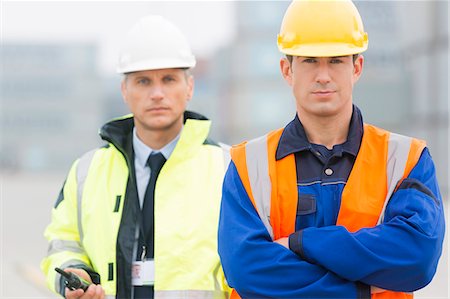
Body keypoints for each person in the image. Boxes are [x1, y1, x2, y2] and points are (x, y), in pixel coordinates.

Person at [218, 1, 445, 298]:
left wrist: (302, 243)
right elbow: (245, 269)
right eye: (310, 60)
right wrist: (359, 289)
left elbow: (418, 258)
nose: (323, 75)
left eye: (336, 60)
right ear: (287, 70)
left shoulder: (406, 160)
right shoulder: (250, 164)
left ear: (357, 67)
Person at [41, 15, 230, 299]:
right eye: (143, 81)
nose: (157, 93)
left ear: (189, 88)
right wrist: (74, 271)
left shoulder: (228, 167)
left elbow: (249, 261)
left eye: (168, 79)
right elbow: (63, 242)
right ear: (125, 91)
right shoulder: (87, 172)